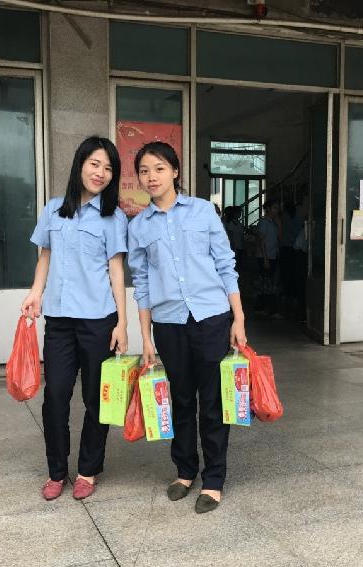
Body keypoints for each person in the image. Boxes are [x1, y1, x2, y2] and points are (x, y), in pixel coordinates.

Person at [128, 141, 247, 514]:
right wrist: (145, 337)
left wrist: (239, 317)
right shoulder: (139, 226)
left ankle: (214, 479)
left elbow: (225, 264)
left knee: (212, 402)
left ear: (175, 171)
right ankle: (184, 471)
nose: (152, 177)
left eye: (159, 168)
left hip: (211, 318)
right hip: (169, 323)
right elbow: (141, 283)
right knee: (180, 400)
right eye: (144, 171)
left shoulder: (202, 211)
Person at [21, 136, 128, 502]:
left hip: (98, 319)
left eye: (108, 168)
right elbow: (45, 257)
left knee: (96, 399)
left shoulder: (113, 217)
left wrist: (122, 323)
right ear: (80, 164)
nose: (101, 173)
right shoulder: (54, 210)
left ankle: (87, 470)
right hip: (60, 321)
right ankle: (56, 471)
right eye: (95, 164)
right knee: (55, 395)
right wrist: (35, 292)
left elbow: (116, 270)